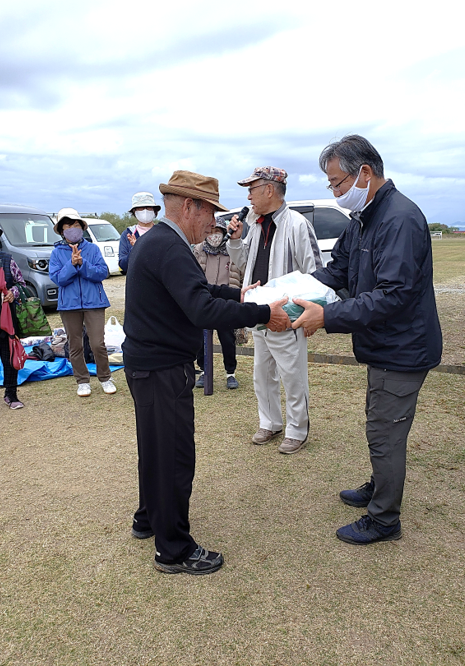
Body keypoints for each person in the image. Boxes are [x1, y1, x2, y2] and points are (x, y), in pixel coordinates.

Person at [122, 169, 291, 576]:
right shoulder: (168, 247)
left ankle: (149, 518)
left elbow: (200, 290)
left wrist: (240, 294)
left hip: (150, 365)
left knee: (155, 450)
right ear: (189, 206)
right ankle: (173, 549)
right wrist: (263, 313)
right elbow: (201, 309)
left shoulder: (163, 242)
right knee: (174, 457)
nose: (213, 222)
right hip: (162, 369)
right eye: (209, 212)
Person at [291, 134, 442, 545]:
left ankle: (384, 519)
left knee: (384, 430)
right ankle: (380, 486)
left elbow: (394, 295)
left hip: (404, 347)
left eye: (338, 183)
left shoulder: (400, 219)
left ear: (365, 173)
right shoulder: (365, 219)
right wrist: (285, 293)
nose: (336, 192)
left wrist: (329, 315)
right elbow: (336, 271)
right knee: (379, 421)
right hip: (384, 346)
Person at [227, 167, 323, 454]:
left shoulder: (297, 224)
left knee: (293, 375)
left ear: (269, 189)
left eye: (252, 189)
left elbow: (314, 271)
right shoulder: (255, 225)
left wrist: (307, 311)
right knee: (262, 373)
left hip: (287, 314)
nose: (249, 195)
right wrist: (235, 239)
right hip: (259, 311)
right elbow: (243, 262)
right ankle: (269, 422)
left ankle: (297, 430)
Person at [49, 208, 117, 397]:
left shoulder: (93, 249)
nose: (72, 229)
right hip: (69, 305)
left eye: (76, 225)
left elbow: (102, 272)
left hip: (94, 302)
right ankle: (82, 380)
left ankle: (105, 377)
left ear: (82, 228)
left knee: (97, 343)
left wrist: (82, 264)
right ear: (62, 230)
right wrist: (71, 264)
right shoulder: (56, 253)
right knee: (75, 344)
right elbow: (58, 279)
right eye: (68, 225)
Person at [193, 215, 244, 390]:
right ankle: (203, 371)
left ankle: (231, 373)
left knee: (227, 338)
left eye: (218, 232)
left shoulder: (233, 249)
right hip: (204, 300)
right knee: (201, 338)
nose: (214, 235)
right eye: (211, 231)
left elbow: (242, 273)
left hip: (225, 301)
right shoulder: (198, 250)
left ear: (224, 233)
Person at [0, 218, 26, 412]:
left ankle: (11, 394)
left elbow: (21, 283)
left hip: (4, 316)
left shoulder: (7, 259)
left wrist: (13, 293)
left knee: (9, 355)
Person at [118, 192, 161, 274]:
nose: (145, 211)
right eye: (140, 208)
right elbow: (123, 266)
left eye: (148, 208)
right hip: (137, 283)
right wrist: (135, 249)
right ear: (134, 211)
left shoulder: (163, 233)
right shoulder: (128, 234)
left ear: (154, 210)